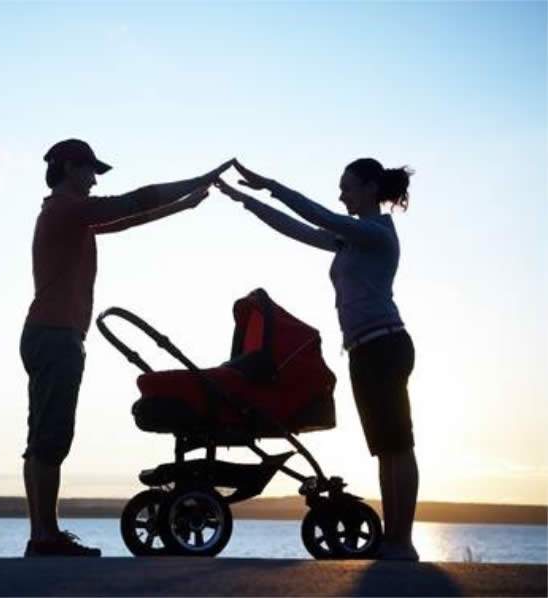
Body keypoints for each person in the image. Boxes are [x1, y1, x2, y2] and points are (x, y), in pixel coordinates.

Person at [21, 138, 232, 557]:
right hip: (56, 335)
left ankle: (44, 533)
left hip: (52, 335)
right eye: (89, 170)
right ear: (68, 168)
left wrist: (184, 205)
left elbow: (128, 219)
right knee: (50, 438)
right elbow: (132, 202)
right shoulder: (66, 209)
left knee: (46, 437)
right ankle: (44, 536)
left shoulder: (71, 217)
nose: (94, 179)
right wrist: (199, 179)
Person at [214, 158, 419, 561]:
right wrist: (245, 201)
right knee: (383, 447)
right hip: (362, 349)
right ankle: (392, 539)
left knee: (399, 444)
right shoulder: (351, 239)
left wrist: (271, 182)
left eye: (347, 186)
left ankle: (403, 540)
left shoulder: (376, 233)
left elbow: (319, 215)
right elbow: (300, 229)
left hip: (386, 345)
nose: (341, 194)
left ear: (371, 187)